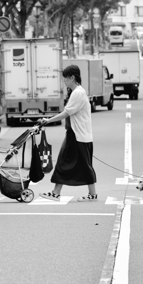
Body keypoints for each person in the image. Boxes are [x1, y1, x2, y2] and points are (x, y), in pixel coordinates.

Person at [39, 64, 97, 202]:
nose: (64, 81)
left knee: (67, 162)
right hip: (78, 135)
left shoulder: (78, 93)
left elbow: (67, 112)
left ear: (72, 77)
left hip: (78, 135)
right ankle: (60, 192)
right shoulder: (78, 92)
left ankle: (57, 193)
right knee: (77, 164)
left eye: (65, 78)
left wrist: (48, 120)